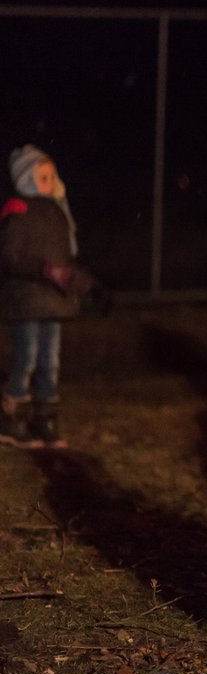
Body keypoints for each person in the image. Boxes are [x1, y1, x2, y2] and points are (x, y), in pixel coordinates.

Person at [1, 145, 91, 449]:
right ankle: (14, 419)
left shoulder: (58, 211)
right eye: (42, 175)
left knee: (50, 361)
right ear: (26, 177)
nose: (50, 180)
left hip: (53, 302)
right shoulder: (18, 209)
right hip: (26, 301)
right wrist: (45, 270)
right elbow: (10, 256)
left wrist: (77, 281)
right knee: (26, 358)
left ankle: (46, 419)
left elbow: (67, 255)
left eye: (52, 174)